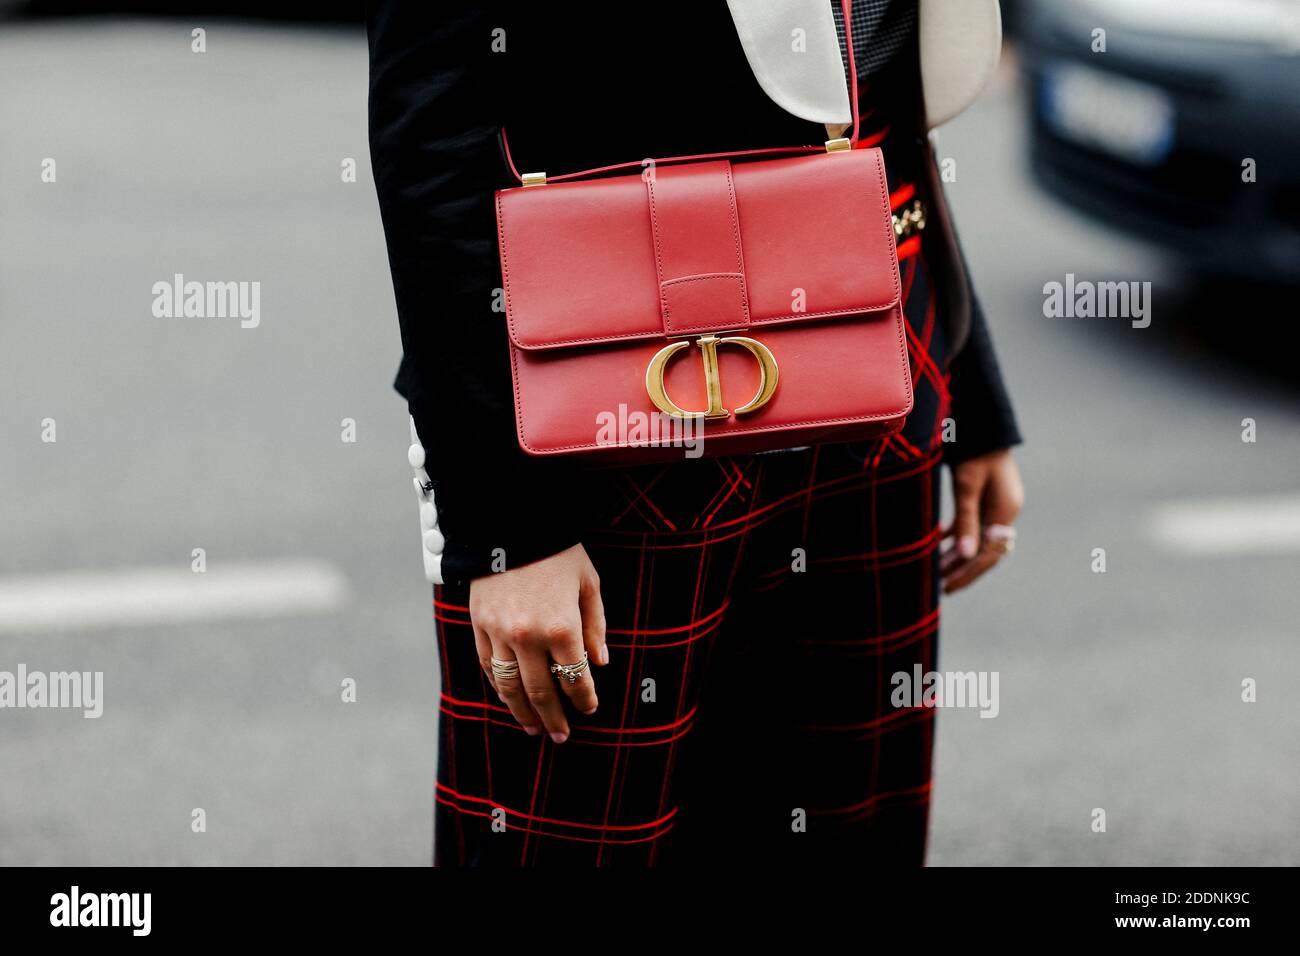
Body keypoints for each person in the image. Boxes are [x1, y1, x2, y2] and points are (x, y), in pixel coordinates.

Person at [364, 0, 1024, 866]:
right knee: (572, 842)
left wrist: (969, 386)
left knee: (848, 835)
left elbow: (874, 81)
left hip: (879, 373)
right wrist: (507, 531)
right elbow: (432, 143)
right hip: (609, 427)